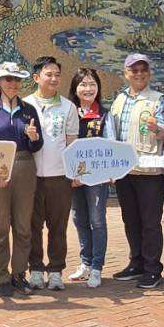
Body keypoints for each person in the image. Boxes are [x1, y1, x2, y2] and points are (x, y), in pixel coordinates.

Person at [104, 53, 164, 288]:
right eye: (134, 70)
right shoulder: (118, 99)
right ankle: (137, 262)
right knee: (130, 220)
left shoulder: (158, 99)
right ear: (126, 73)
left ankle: (153, 269)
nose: (139, 73)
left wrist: (158, 128)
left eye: (143, 69)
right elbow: (111, 134)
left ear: (149, 73)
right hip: (125, 171)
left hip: (150, 170)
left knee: (151, 222)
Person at [0, 62, 42, 297]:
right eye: (8, 79)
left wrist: (34, 138)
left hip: (25, 166)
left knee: (24, 225)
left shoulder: (28, 109)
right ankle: (1, 275)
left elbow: (38, 145)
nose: (13, 84)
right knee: (0, 225)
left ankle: (18, 273)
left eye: (16, 80)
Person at [25, 57, 79, 290]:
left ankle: (56, 270)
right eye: (49, 74)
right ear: (37, 77)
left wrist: (74, 172)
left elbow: (71, 143)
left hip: (60, 177)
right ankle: (35, 268)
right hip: (31, 177)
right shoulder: (25, 105)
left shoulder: (67, 107)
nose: (54, 78)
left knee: (58, 226)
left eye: (57, 74)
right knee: (31, 225)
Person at [66, 68, 110, 288]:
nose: (88, 88)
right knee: (79, 219)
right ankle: (85, 263)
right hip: (74, 177)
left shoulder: (104, 114)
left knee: (97, 220)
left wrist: (111, 171)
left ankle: (97, 267)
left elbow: (111, 145)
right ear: (75, 88)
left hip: (96, 178)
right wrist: (73, 174)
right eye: (83, 84)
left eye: (92, 84)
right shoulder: (68, 111)